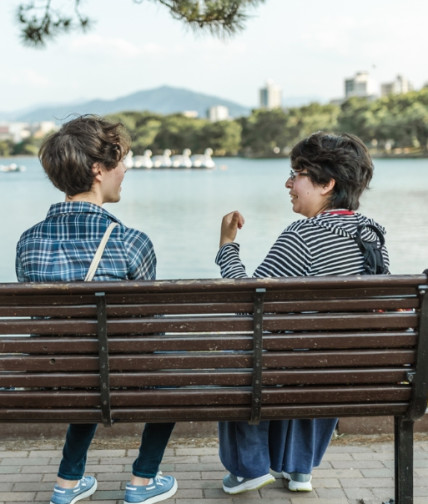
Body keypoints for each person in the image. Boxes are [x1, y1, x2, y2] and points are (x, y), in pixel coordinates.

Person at [215, 131, 389, 495]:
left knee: (245, 356)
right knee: (316, 351)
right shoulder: (372, 235)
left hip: (298, 369)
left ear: (327, 183)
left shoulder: (302, 235)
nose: (288, 183)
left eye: (297, 174)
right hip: (355, 369)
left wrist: (227, 246)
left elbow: (247, 298)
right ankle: (299, 469)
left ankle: (249, 467)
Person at [15, 115, 177, 504]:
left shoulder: (27, 242)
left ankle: (67, 484)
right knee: (170, 376)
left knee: (85, 363)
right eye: (121, 161)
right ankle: (142, 482)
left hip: (57, 375)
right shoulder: (131, 242)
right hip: (118, 373)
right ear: (98, 169)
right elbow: (145, 328)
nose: (126, 170)